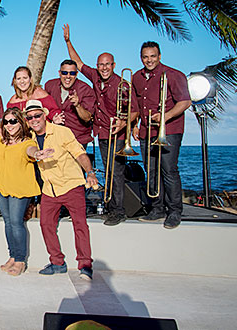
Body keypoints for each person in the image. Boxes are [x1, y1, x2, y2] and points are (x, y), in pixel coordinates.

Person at [63, 24, 138, 226]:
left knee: (117, 172)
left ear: (113, 65)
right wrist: (68, 41)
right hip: (102, 133)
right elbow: (78, 63)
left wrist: (124, 123)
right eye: (100, 65)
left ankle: (118, 210)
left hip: (118, 134)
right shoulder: (95, 77)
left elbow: (135, 111)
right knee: (109, 170)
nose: (104, 68)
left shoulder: (123, 84)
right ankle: (112, 207)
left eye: (107, 64)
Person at [23, 99, 98, 281]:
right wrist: (35, 153)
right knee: (46, 224)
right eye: (30, 117)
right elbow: (29, 150)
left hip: (71, 185)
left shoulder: (62, 132)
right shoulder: (30, 139)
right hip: (49, 189)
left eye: (37, 115)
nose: (34, 119)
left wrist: (89, 172)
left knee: (80, 225)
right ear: (27, 120)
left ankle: (85, 265)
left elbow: (79, 153)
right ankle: (57, 263)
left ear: (44, 115)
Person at [132, 41, 191, 229]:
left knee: (169, 170)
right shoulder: (136, 77)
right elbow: (136, 105)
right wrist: (134, 124)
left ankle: (174, 211)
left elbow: (185, 102)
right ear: (141, 58)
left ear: (159, 56)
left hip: (170, 131)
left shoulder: (174, 75)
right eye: (145, 56)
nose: (149, 60)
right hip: (146, 131)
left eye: (152, 56)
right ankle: (157, 209)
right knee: (151, 171)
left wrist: (165, 117)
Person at [0, 108, 53, 276]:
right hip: (2, 187)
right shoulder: (0, 141)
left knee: (15, 222)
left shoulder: (28, 142)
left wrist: (38, 154)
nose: (9, 125)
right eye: (6, 122)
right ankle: (12, 255)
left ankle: (20, 260)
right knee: (7, 222)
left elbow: (31, 152)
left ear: (21, 122)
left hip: (20, 188)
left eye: (13, 121)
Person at [44, 60, 96, 149]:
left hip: (77, 138)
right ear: (59, 73)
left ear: (76, 74)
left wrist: (77, 105)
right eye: (64, 73)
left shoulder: (86, 90)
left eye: (72, 73)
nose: (68, 76)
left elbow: (87, 118)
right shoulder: (50, 85)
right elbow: (44, 106)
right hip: (55, 137)